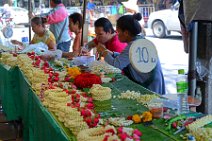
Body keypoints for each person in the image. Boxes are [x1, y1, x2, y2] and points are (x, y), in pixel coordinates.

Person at [96, 13, 166, 94]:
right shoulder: (139, 40)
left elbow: (116, 64)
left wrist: (104, 51)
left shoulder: (133, 45)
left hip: (150, 83)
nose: (116, 35)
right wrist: (112, 53)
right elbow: (131, 58)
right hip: (155, 79)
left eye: (118, 32)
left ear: (126, 33)